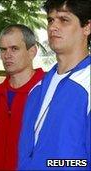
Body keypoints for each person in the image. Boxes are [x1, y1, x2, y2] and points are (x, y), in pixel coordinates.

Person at [18, 0, 91, 170]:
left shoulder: (87, 84)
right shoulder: (36, 89)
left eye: (64, 20)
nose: (53, 27)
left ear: (87, 27)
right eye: (50, 20)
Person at [0, 24, 45, 170]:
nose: (7, 55)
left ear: (32, 51)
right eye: (3, 49)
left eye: (14, 48)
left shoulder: (48, 92)